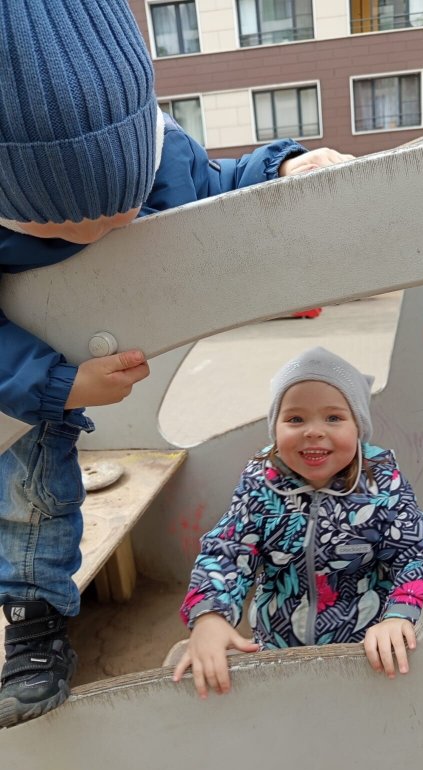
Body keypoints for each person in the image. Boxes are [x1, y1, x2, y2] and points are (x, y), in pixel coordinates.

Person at [0, 0, 352, 728]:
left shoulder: (165, 157)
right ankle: (33, 624)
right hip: (28, 368)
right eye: (57, 227)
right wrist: (57, 385)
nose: (98, 233)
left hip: (107, 346)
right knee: (27, 487)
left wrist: (281, 169)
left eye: (120, 210)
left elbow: (215, 195)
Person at [174, 347, 423, 699]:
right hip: (278, 649)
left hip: (364, 652)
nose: (314, 432)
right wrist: (211, 617)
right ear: (275, 427)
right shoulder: (260, 483)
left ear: (358, 426)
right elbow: (228, 551)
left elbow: (417, 553)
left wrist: (399, 616)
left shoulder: (381, 484)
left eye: (333, 418)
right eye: (296, 419)